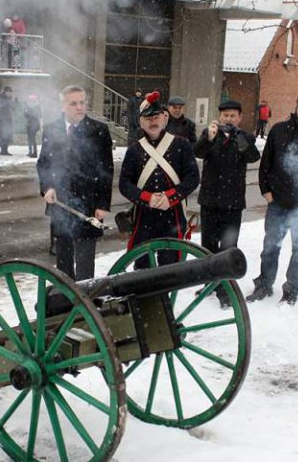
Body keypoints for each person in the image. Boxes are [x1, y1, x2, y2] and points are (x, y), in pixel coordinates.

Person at [246, 88, 298, 306]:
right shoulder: (279, 130)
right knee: (270, 247)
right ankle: (264, 284)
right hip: (277, 202)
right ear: (296, 105)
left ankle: (292, 290)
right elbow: (266, 163)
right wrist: (266, 191)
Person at [37, 85, 114, 281]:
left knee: (85, 263)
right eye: (73, 103)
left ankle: (84, 297)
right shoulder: (52, 128)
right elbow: (44, 163)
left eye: (82, 102)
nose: (79, 107)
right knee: (63, 260)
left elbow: (106, 169)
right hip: (61, 204)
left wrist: (103, 204)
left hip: (89, 205)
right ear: (63, 106)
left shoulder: (98, 130)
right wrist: (48, 187)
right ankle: (66, 295)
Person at [119, 90, 199, 268]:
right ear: (141, 122)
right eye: (148, 118)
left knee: (170, 266)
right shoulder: (134, 150)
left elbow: (192, 178)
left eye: (156, 117)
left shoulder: (182, 145)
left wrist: (170, 197)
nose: (152, 122)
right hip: (144, 216)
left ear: (164, 118)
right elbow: (124, 184)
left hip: (173, 215)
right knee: (142, 266)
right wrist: (147, 198)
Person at [193, 99, 260, 307]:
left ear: (239, 118)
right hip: (210, 201)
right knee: (208, 247)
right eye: (225, 115)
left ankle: (225, 290)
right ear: (219, 116)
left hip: (233, 203)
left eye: (232, 116)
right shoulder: (210, 134)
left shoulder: (245, 137)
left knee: (228, 248)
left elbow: (253, 157)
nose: (228, 119)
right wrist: (209, 138)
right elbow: (197, 152)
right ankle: (209, 284)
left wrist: (239, 139)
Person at [0, 85, 16, 155]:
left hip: (9, 119)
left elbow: (13, 108)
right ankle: (2, 150)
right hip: (2, 120)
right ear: (5, 92)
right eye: (8, 92)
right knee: (2, 135)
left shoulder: (11, 99)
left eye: (10, 92)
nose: (9, 93)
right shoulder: (0, 98)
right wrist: (5, 104)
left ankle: (6, 150)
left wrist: (13, 105)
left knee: (7, 135)